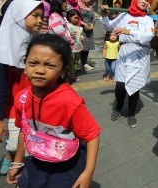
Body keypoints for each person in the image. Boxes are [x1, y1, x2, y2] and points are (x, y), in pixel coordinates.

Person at [6, 34, 100, 187]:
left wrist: (88, 173)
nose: (40, 70)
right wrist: (17, 162)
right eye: (33, 63)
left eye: (49, 65)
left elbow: (92, 135)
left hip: (66, 167)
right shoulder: (21, 98)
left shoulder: (69, 102)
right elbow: (24, 130)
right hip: (36, 161)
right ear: (25, 65)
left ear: (63, 71)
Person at [0, 0, 44, 175]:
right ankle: (10, 156)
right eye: (35, 15)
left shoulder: (37, 43)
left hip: (34, 103)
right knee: (13, 143)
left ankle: (20, 160)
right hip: (13, 108)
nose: (40, 20)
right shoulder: (4, 50)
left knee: (32, 138)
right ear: (18, 17)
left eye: (42, 16)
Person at [99, 0, 154, 128]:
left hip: (141, 55)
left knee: (134, 88)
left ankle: (131, 113)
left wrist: (128, 31)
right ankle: (118, 106)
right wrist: (105, 16)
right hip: (124, 53)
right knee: (120, 86)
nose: (144, 1)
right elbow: (109, 26)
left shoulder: (148, 19)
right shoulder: (124, 15)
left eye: (147, 0)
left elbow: (148, 36)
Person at [78, 0, 96, 71]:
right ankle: (79, 63)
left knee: (87, 47)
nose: (88, 0)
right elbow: (77, 18)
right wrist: (84, 24)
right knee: (80, 46)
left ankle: (84, 62)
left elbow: (93, 18)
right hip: (81, 29)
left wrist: (92, 25)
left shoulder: (91, 7)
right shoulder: (78, 6)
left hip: (89, 30)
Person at [66, 8, 84, 83]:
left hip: (78, 47)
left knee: (76, 62)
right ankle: (71, 75)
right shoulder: (67, 26)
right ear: (69, 17)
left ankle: (72, 74)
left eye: (78, 18)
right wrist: (69, 35)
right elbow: (65, 35)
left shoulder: (79, 27)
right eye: (75, 18)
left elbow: (80, 35)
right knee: (71, 62)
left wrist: (82, 37)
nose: (77, 20)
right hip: (71, 48)